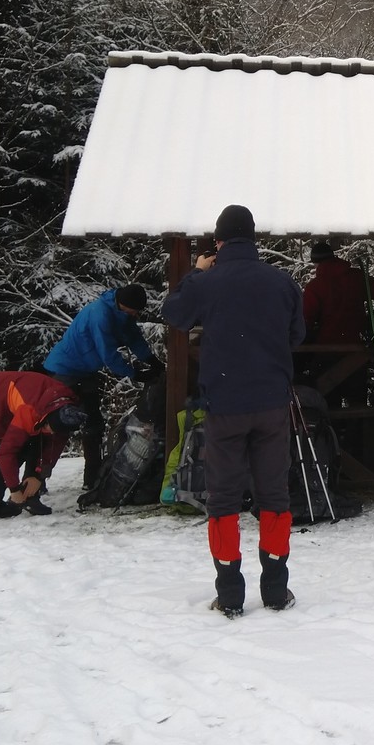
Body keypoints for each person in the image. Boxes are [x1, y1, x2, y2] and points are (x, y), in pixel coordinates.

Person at [161, 204, 307, 616]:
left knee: (223, 499)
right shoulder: (282, 282)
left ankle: (229, 595)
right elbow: (297, 334)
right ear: (254, 238)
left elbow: (174, 313)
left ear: (219, 241)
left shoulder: (209, 281)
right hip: (272, 403)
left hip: (224, 405)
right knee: (274, 496)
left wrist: (197, 273)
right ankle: (276, 591)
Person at [41, 284, 158, 490]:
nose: (135, 314)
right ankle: (36, 478)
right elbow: (108, 355)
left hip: (86, 371)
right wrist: (136, 374)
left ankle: (92, 478)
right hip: (63, 370)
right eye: (133, 310)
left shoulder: (124, 315)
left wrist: (151, 360)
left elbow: (134, 338)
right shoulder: (99, 314)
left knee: (94, 423)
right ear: (122, 304)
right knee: (55, 426)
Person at [0, 370, 87, 519]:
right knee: (22, 447)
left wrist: (39, 476)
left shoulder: (65, 411)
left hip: (30, 395)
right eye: (49, 427)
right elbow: (6, 453)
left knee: (38, 439)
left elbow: (54, 447)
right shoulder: (29, 410)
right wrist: (14, 489)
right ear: (46, 418)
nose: (52, 432)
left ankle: (29, 497)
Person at [303, 240, 374, 347]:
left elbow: (306, 318)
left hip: (327, 346)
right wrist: (372, 319)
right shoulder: (358, 277)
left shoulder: (314, 286)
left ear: (316, 263)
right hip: (359, 343)